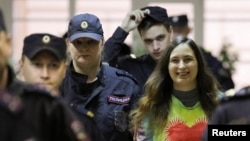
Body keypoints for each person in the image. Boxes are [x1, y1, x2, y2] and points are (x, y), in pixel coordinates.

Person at [0, 8, 90, 141]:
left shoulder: (46, 107)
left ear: (8, 43)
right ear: (21, 65)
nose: (45, 74)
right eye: (37, 64)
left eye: (53, 65)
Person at [59, 13, 141, 141]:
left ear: (102, 42)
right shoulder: (57, 85)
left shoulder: (125, 86)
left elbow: (141, 135)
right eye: (78, 42)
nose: (84, 48)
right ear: (69, 45)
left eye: (91, 42)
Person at [130, 36, 219, 141]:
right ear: (167, 66)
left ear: (198, 63)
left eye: (188, 59)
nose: (181, 66)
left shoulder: (219, 103)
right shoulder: (151, 107)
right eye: (175, 60)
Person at [103, 6, 173, 90]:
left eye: (160, 38)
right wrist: (124, 29)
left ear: (170, 32)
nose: (155, 47)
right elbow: (101, 66)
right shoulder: (133, 68)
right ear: (142, 39)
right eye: (149, 41)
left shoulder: (184, 66)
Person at [168, 14, 235, 92]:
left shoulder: (203, 55)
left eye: (180, 30)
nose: (177, 34)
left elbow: (225, 82)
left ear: (188, 30)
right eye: (174, 31)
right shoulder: (161, 56)